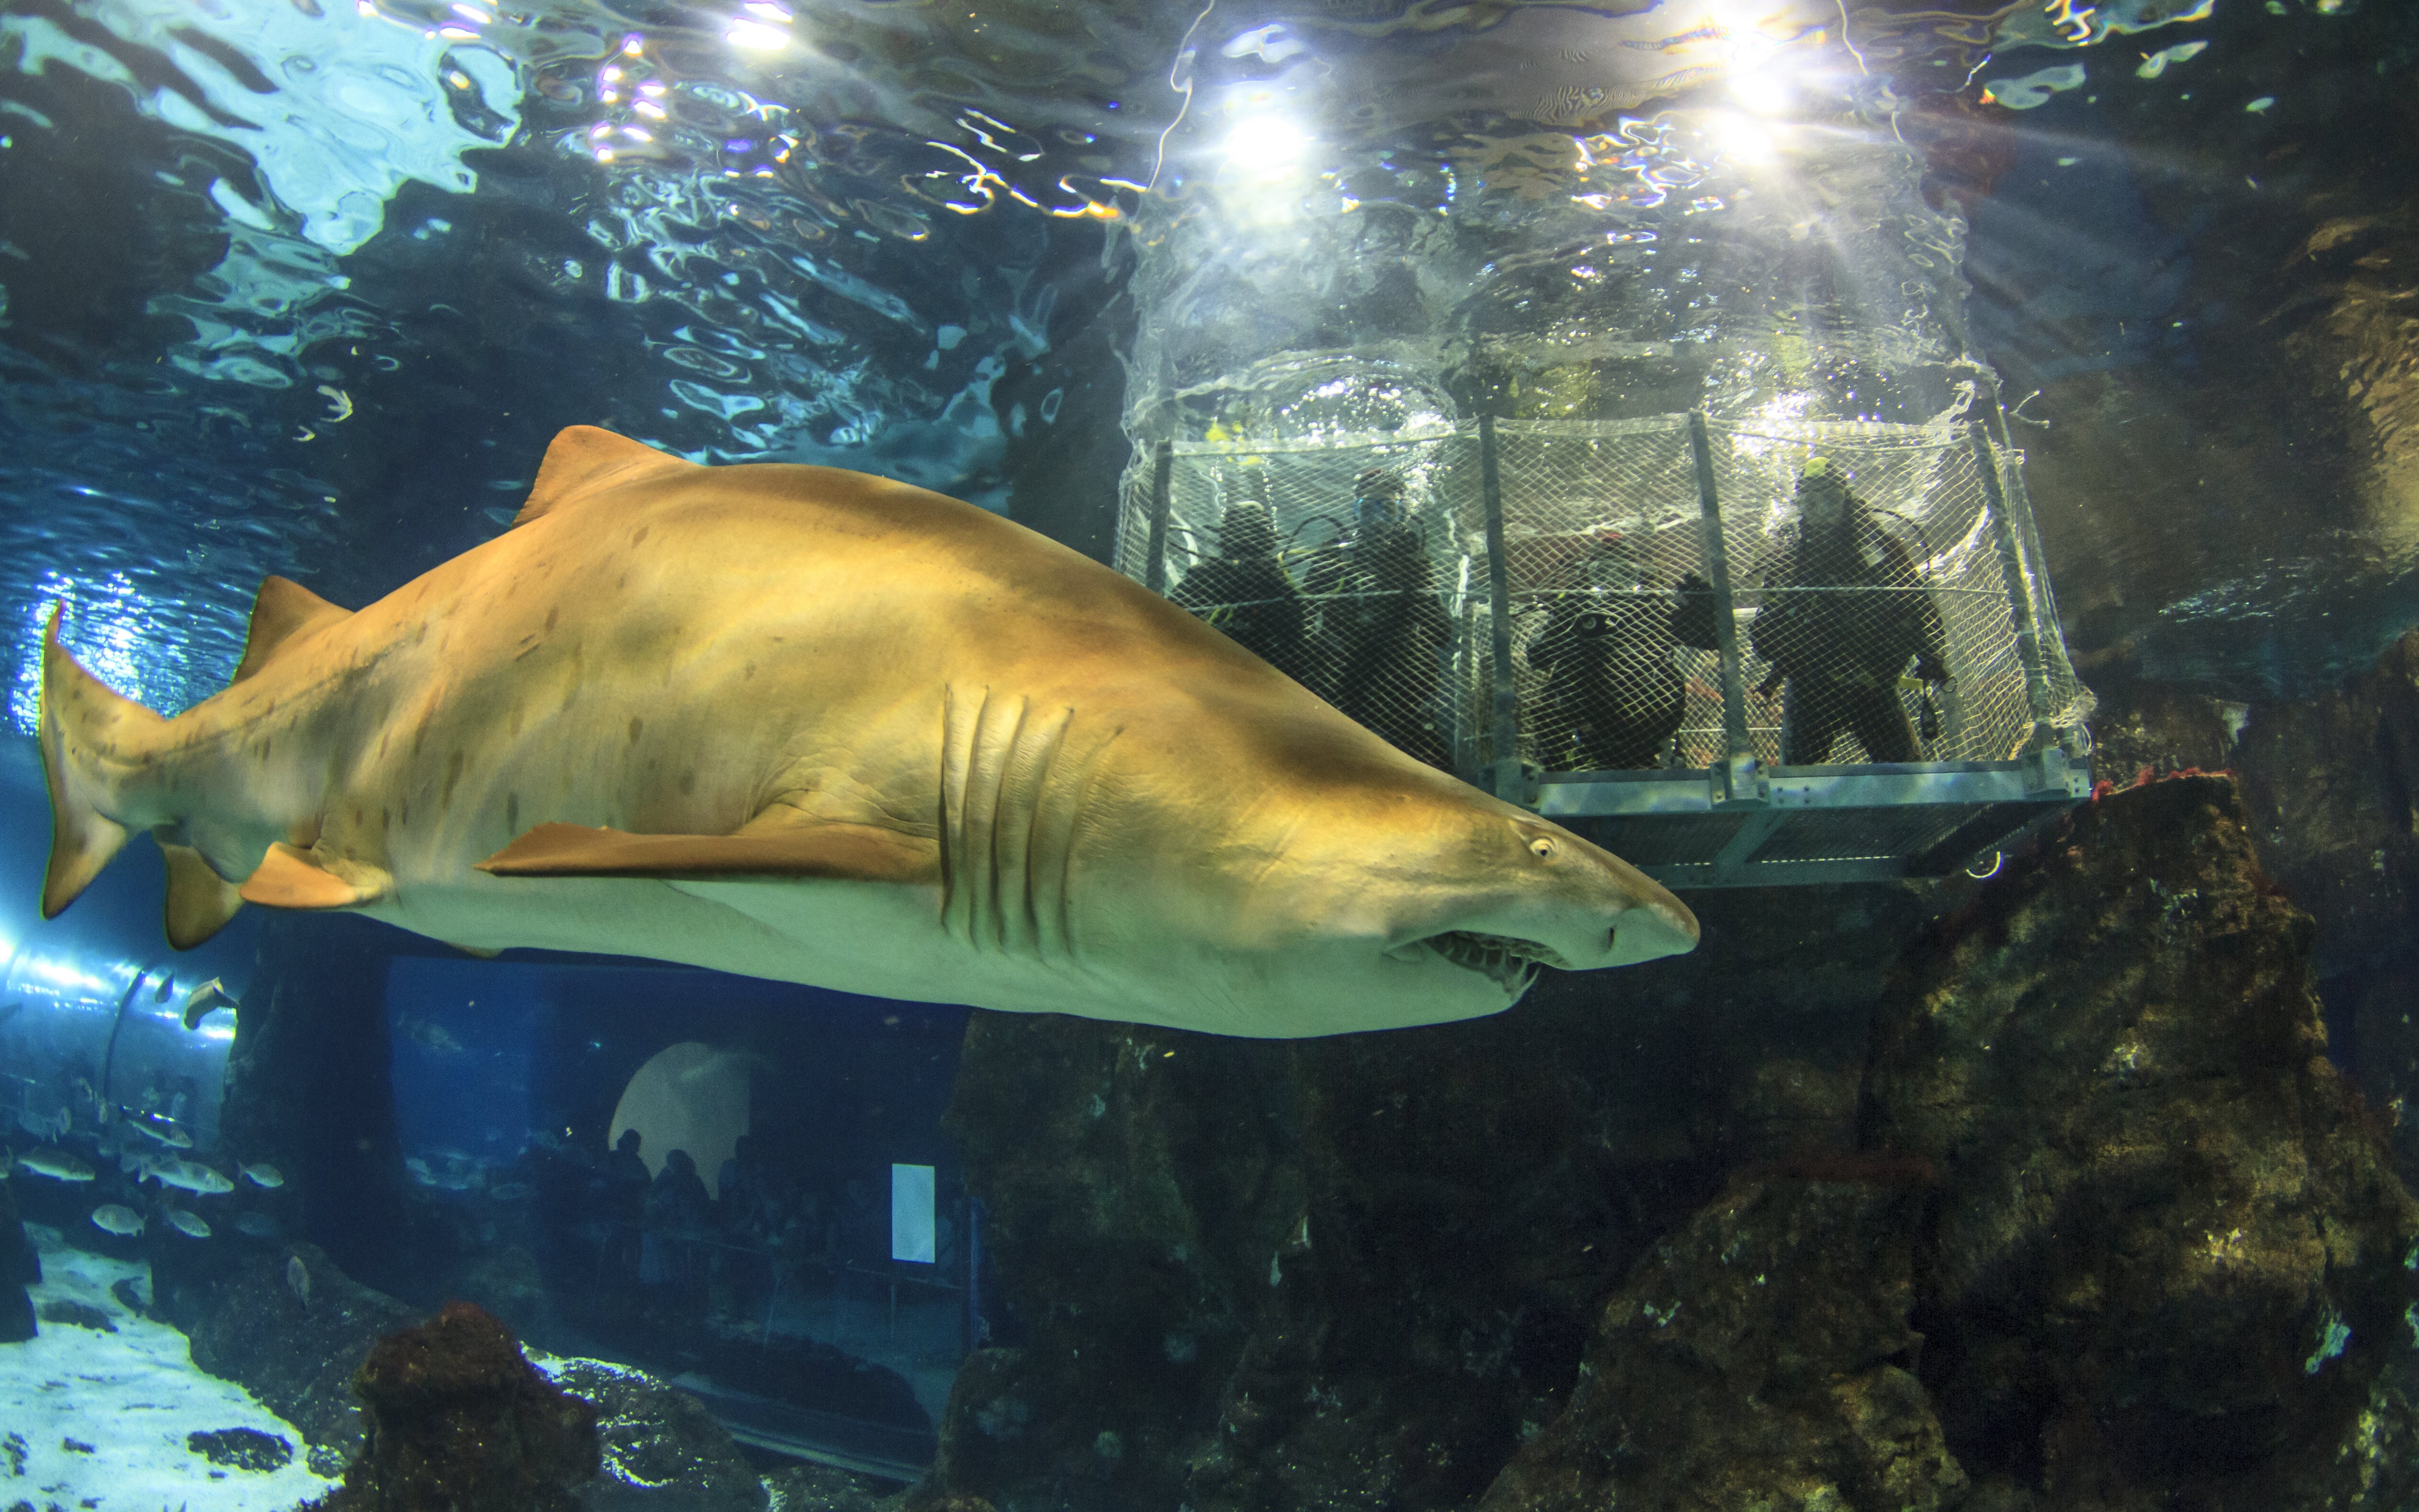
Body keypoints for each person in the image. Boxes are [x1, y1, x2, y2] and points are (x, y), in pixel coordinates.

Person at [1748, 458, 1949, 764]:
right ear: (1801, 507)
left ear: (1847, 500)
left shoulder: (1884, 550)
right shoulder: (1787, 561)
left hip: (1873, 686)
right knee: (1798, 783)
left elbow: (1919, 606)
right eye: (1812, 503)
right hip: (1814, 689)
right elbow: (1765, 634)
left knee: (1907, 778)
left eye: (1830, 501)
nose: (1823, 513)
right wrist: (1778, 662)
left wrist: (1933, 655)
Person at [1301, 468, 1453, 769]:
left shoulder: (1414, 561)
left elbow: (1442, 634)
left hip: (1401, 675)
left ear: (1402, 514)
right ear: (1355, 511)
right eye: (1369, 509)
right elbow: (1303, 612)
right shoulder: (1334, 554)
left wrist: (1417, 595)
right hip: (1342, 672)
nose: (1378, 520)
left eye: (1389, 510)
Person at [1527, 533, 1690, 771]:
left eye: (1624, 573)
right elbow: (1537, 656)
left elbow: (1688, 642)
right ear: (1588, 574)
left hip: (1643, 715)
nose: (1613, 583)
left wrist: (1691, 614)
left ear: (1638, 575)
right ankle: (1557, 758)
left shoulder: (1652, 607)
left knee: (1669, 672)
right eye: (1603, 574)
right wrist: (1573, 634)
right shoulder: (1574, 605)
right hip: (1584, 709)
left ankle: (1662, 751)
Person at [1170, 491, 1310, 683]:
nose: (1247, 538)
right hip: (1213, 664)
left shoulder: (1275, 575)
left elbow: (1296, 629)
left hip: (1262, 666)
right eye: (1243, 529)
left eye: (1253, 530)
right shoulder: (1207, 574)